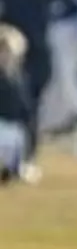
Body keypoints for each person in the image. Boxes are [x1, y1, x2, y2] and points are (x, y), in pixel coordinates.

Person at [0, 0, 77, 167]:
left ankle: (28, 155)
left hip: (38, 51)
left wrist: (52, 17)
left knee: (31, 104)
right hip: (11, 50)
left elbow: (73, 5)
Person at [0, 24, 29, 182]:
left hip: (13, 125)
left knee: (17, 137)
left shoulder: (17, 77)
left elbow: (23, 103)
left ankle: (12, 170)